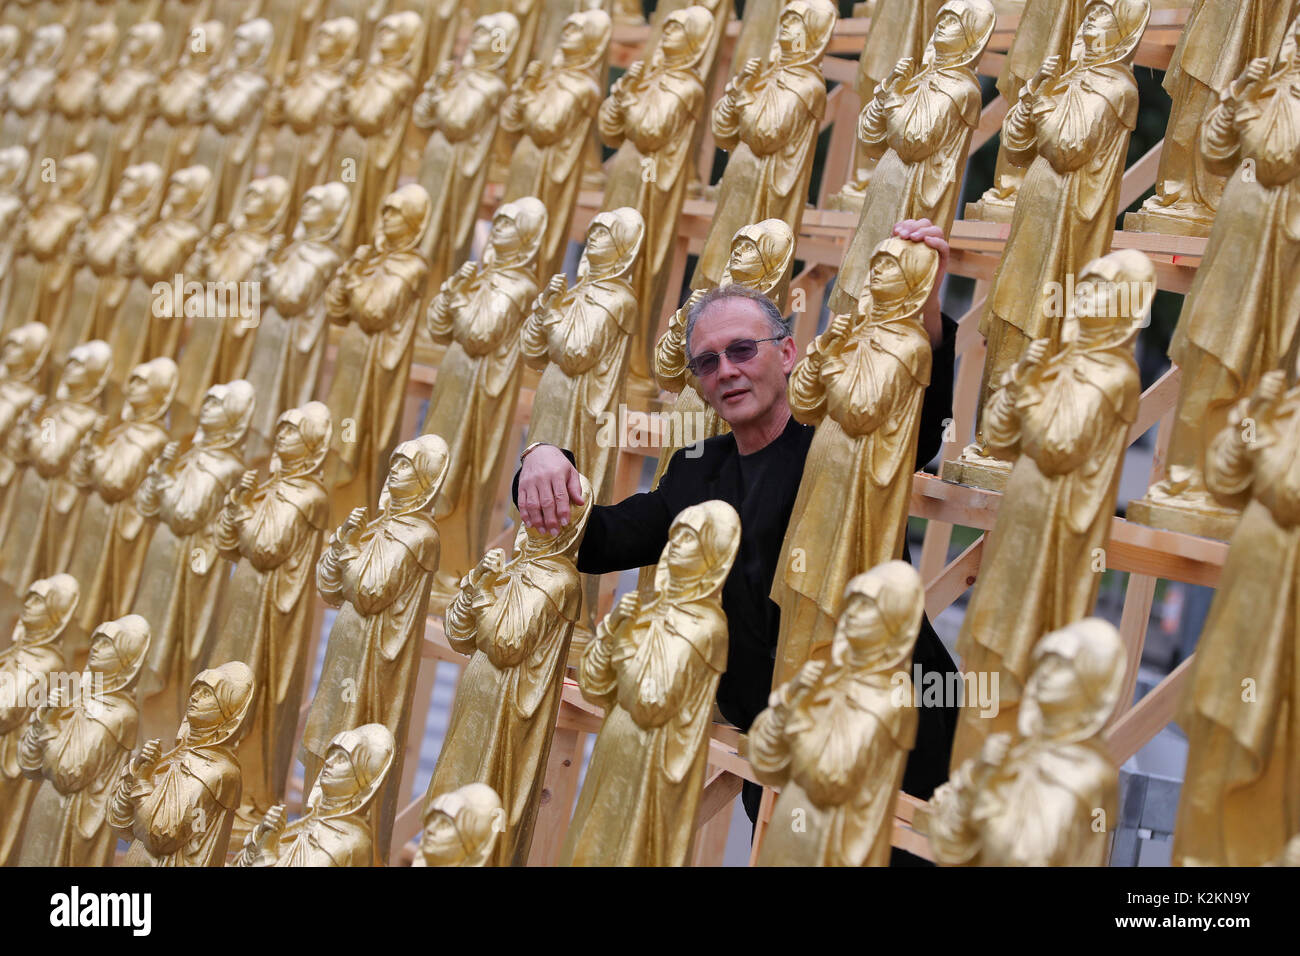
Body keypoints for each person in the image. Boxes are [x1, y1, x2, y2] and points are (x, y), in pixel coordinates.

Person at [515, 219, 960, 863]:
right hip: (775, 742)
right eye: (707, 361)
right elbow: (602, 539)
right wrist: (540, 457)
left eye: (743, 350)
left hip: (887, 737)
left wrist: (925, 310)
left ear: (787, 353)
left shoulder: (839, 444)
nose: (726, 370)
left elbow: (917, 432)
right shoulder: (697, 467)